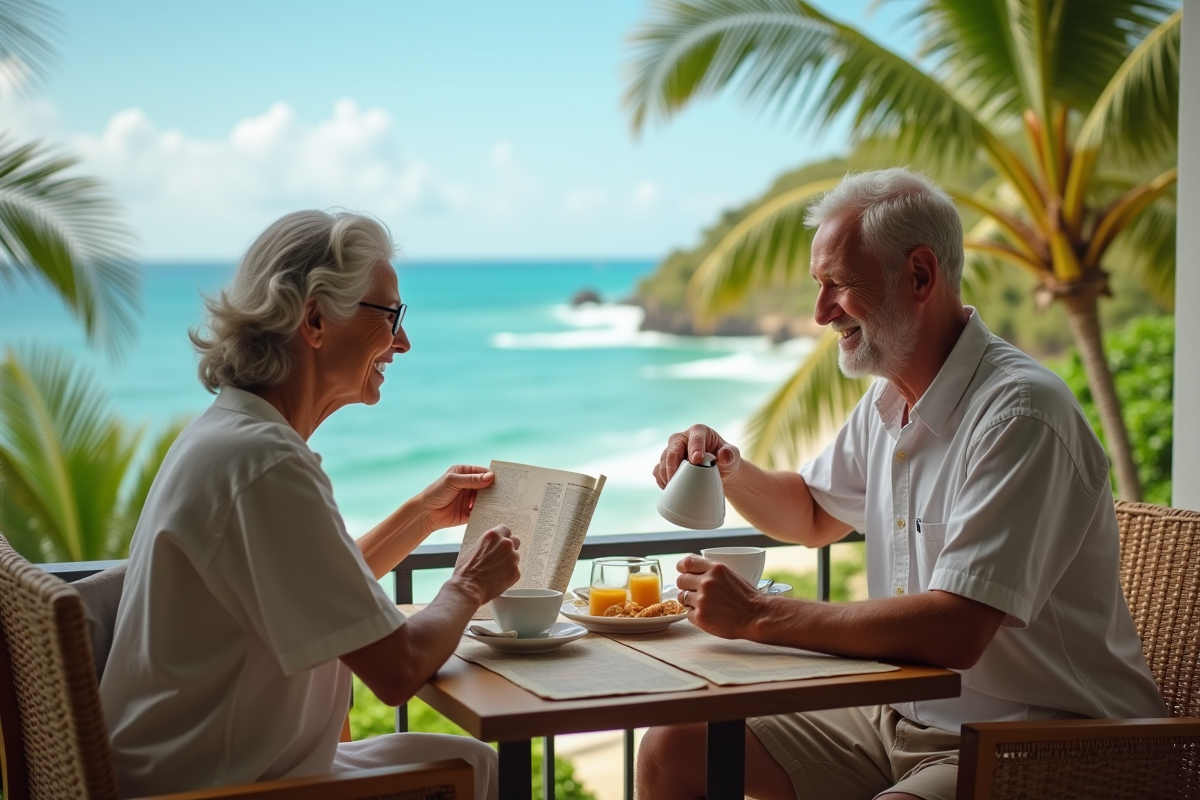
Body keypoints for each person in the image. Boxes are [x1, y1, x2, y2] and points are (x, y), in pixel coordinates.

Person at [639, 169, 1166, 800]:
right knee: (673, 748)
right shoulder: (891, 400)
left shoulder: (1021, 414)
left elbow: (955, 629)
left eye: (839, 285)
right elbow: (811, 515)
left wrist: (757, 614)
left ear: (920, 275)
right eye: (818, 286)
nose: (820, 312)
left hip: (1043, 739)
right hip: (903, 714)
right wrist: (726, 466)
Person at [100, 210, 520, 800]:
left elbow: (319, 592)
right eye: (391, 315)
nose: (402, 341)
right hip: (222, 787)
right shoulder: (266, 463)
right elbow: (397, 670)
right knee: (477, 771)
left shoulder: (226, 437)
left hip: (186, 769)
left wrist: (423, 515)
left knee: (471, 759)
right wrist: (469, 586)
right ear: (316, 317)